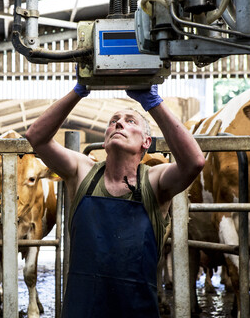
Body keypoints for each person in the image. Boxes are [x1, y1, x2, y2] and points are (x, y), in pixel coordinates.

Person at [25, 82, 205, 317]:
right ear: (106, 137)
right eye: (113, 121)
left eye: (131, 121)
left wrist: (153, 104)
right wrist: (80, 90)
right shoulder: (83, 172)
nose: (119, 123)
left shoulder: (154, 180)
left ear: (146, 143)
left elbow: (195, 162)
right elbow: (35, 137)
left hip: (137, 311)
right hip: (82, 310)